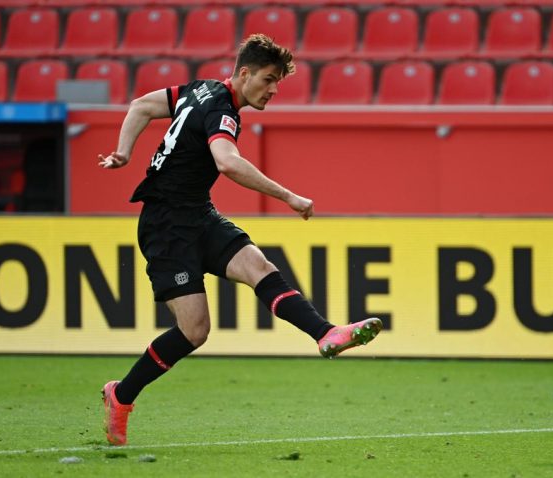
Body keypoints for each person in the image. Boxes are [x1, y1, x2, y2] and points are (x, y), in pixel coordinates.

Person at [96, 34, 382, 446]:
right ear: (244, 73)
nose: (273, 90)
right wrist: (288, 195)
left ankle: (325, 333)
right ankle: (121, 396)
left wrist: (124, 151)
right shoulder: (221, 108)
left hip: (198, 214)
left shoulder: (198, 90)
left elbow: (141, 105)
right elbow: (227, 162)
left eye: (277, 83)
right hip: (166, 224)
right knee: (194, 331)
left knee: (257, 266)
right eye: (267, 79)